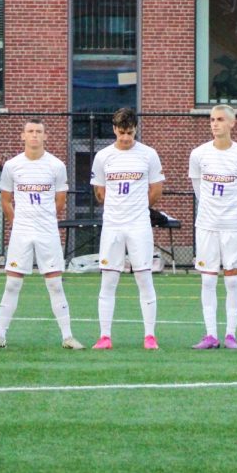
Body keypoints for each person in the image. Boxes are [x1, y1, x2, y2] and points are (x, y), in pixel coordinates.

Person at [0, 119, 82, 350]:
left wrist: (44, 219)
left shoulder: (56, 165)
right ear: (22, 136)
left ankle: (67, 337)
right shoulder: (12, 165)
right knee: (12, 285)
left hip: (47, 232)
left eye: (39, 132)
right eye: (30, 131)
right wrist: (20, 224)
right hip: (22, 232)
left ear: (45, 136)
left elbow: (60, 200)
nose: (34, 135)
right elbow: (6, 200)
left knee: (55, 284)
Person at [90, 107, 165, 350]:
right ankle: (104, 336)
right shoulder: (103, 156)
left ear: (136, 130)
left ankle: (150, 336)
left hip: (139, 225)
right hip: (112, 226)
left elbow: (156, 190)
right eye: (122, 132)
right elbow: (99, 192)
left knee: (144, 278)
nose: (125, 138)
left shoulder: (149, 154)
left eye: (130, 133)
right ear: (114, 129)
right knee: (108, 280)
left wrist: (137, 208)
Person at [187, 105, 237, 350]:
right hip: (206, 225)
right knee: (207, 281)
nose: (215, 124)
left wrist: (230, 210)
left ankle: (231, 334)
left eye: (220, 119)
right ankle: (210, 335)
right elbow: (198, 189)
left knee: (232, 281)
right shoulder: (198, 154)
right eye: (212, 119)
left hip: (232, 226)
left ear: (232, 123)